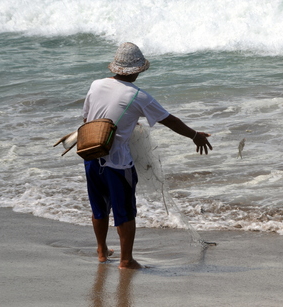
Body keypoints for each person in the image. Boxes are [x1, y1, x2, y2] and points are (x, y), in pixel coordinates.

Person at [82, 42, 212, 269]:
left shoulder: (96, 84)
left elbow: (87, 119)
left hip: (92, 155)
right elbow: (170, 120)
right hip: (118, 163)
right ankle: (126, 260)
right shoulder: (138, 96)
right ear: (138, 70)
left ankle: (102, 251)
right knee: (125, 211)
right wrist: (194, 135)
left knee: (99, 207)